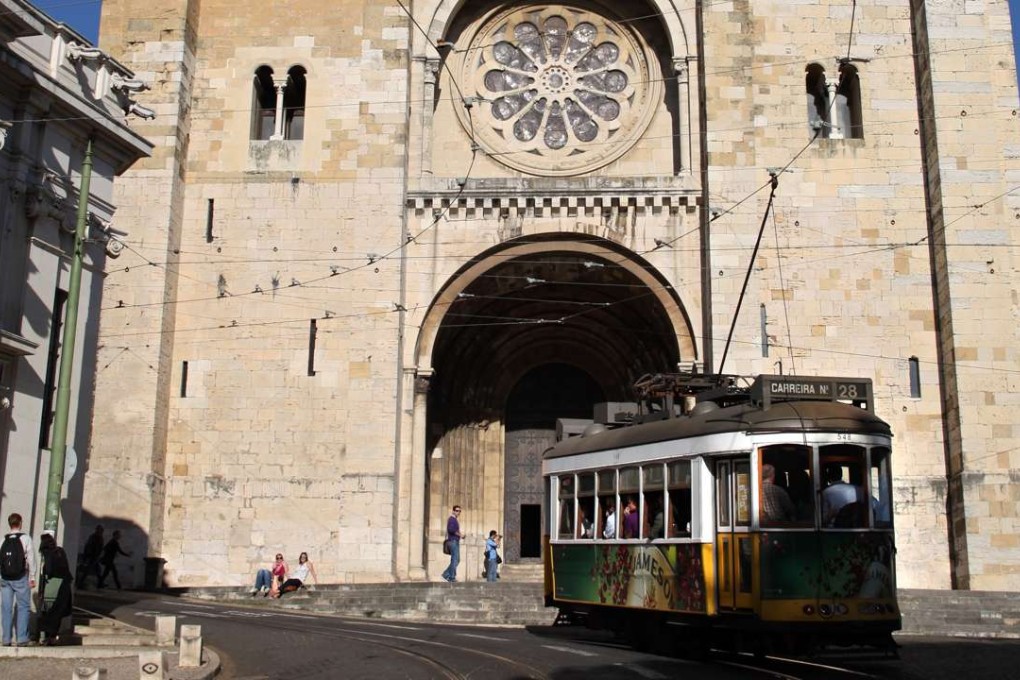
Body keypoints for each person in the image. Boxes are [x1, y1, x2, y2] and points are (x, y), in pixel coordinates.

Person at [1, 512, 35, 647]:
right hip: (20, 577)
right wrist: (32, 576)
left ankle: (6, 639)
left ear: (9, 524)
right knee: (24, 607)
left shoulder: (3, 540)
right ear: (20, 523)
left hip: (5, 578)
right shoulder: (25, 539)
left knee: (6, 608)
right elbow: (31, 559)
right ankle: (21, 638)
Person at [37, 532, 73, 645]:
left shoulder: (48, 553)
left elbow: (49, 570)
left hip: (53, 585)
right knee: (58, 612)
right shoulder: (61, 551)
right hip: (65, 584)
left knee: (48, 612)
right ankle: (52, 637)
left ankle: (45, 637)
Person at [76, 525, 104, 589]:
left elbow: (100, 548)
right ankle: (80, 583)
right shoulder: (94, 537)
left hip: (95, 556)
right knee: (89, 570)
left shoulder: (99, 537)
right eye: (100, 530)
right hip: (92, 556)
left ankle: (100, 583)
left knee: (97, 570)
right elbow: (89, 546)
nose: (101, 532)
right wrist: (88, 555)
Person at [441, 505, 463, 583]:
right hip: (453, 541)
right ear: (453, 511)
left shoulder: (454, 520)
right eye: (457, 510)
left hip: (454, 541)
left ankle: (447, 574)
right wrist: (460, 535)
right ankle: (451, 577)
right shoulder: (452, 519)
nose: (458, 512)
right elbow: (451, 529)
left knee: (456, 559)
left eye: (459, 511)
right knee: (455, 560)